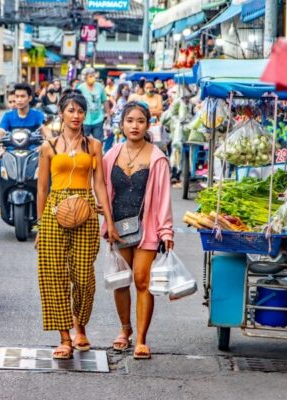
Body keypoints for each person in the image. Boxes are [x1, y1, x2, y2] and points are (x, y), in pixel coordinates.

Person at [36, 89, 121, 359]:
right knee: (54, 275)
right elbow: (41, 189)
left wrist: (109, 221)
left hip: (85, 210)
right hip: (54, 211)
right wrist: (40, 226)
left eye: (80, 111)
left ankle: (80, 326)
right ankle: (64, 336)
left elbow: (100, 184)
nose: (76, 115)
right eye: (71, 110)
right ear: (61, 113)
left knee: (84, 276)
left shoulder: (93, 145)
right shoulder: (48, 147)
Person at [102, 101, 174, 360]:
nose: (135, 125)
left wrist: (166, 231)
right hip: (117, 227)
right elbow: (101, 188)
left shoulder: (157, 158)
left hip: (148, 229)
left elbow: (165, 196)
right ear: (122, 125)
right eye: (130, 120)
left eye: (140, 121)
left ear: (148, 125)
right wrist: (104, 215)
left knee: (143, 281)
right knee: (121, 283)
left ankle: (141, 339)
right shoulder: (111, 155)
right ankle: (125, 330)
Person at [0, 83, 50, 208]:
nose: (19, 100)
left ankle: (50, 198)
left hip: (33, 153)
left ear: (29, 98)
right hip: (11, 153)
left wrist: (46, 143)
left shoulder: (38, 115)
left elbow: (47, 132)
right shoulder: (8, 116)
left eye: (22, 96)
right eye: (17, 96)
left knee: (49, 169)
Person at [77, 68, 111, 142]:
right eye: (90, 76)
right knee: (82, 141)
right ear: (85, 77)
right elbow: (77, 103)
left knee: (98, 141)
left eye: (93, 76)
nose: (92, 78)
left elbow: (104, 101)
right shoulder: (80, 88)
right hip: (85, 120)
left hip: (98, 119)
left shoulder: (100, 87)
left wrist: (108, 114)